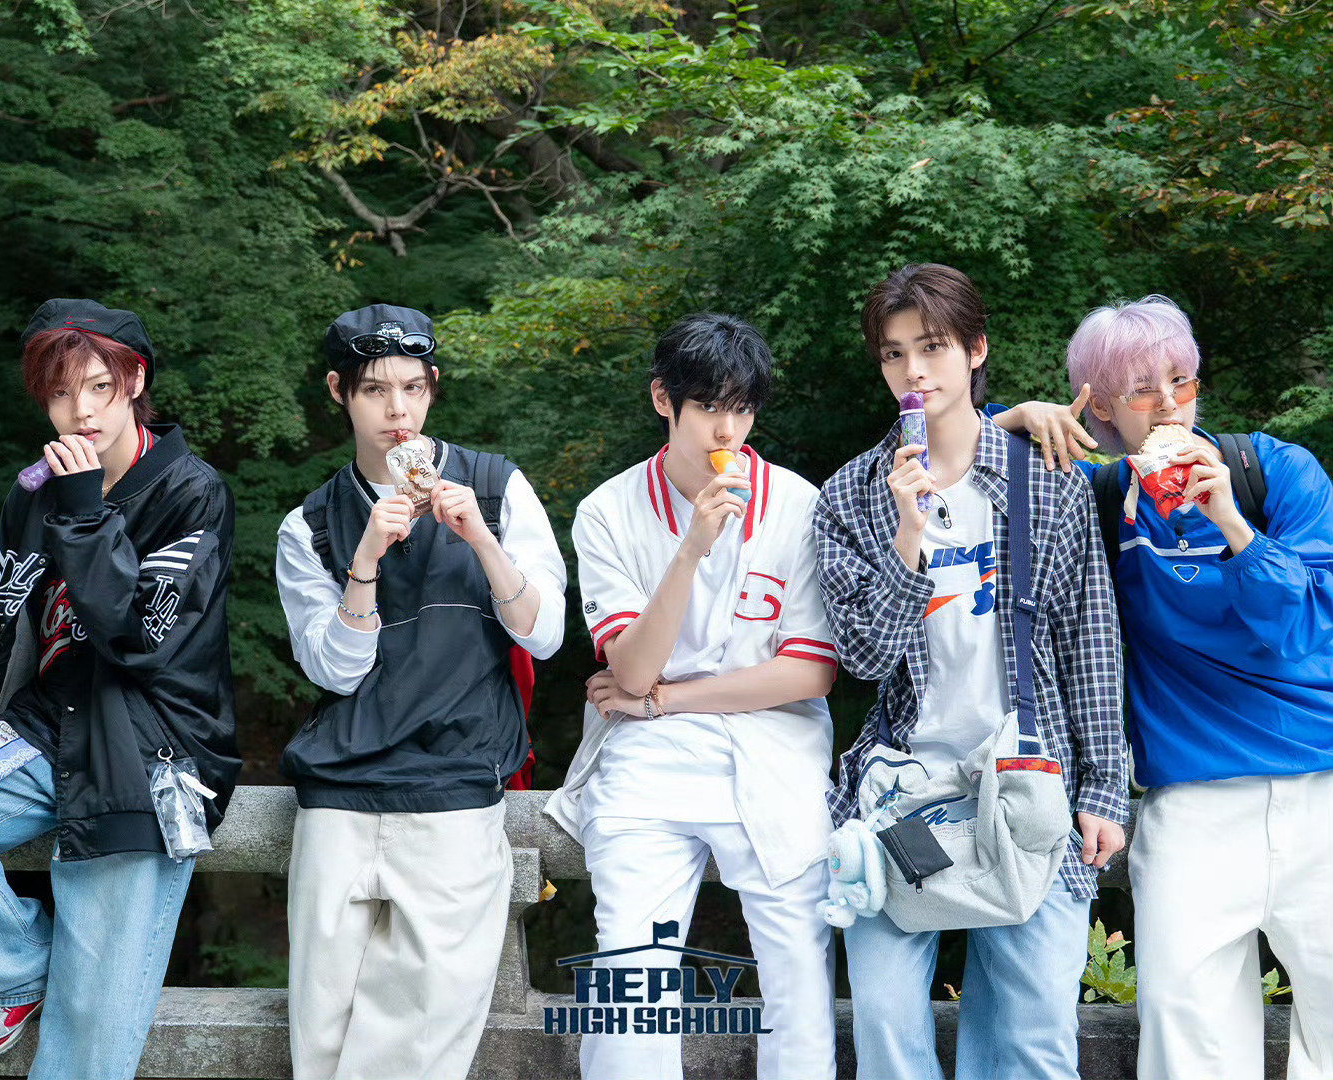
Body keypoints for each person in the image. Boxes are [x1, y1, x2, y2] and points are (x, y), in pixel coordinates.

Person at [813, 264, 1128, 1080]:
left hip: (1028, 784)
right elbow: (863, 660)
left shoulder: (1045, 477)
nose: (913, 371)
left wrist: (1104, 788)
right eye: (893, 354)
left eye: (932, 347)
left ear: (975, 349)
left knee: (1032, 1039)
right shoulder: (850, 495)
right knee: (886, 1028)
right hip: (903, 795)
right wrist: (908, 538)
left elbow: (1090, 639)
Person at [1027, 295, 1331, 1080]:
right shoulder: (1095, 499)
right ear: (1101, 408)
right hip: (1190, 804)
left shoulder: (1277, 472)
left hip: (1321, 788)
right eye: (1140, 390)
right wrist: (1017, 418)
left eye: (1181, 382)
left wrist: (1233, 523)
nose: (1168, 404)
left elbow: (1301, 629)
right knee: (1190, 1045)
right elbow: (954, 458)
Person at [275, 303, 567, 1080]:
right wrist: (365, 561)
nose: (397, 411)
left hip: (455, 790)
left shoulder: (496, 488)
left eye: (412, 387)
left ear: (433, 386)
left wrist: (482, 541)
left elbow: (545, 634)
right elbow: (335, 671)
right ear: (339, 392)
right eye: (375, 390)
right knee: (322, 1033)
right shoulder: (309, 525)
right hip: (336, 799)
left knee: (422, 1039)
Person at [546, 313, 839, 1080]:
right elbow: (632, 671)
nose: (727, 429)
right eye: (708, 406)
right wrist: (690, 551)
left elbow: (810, 674)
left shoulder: (798, 504)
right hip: (648, 758)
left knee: (799, 974)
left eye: (742, 408)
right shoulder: (608, 511)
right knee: (630, 974)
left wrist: (666, 699)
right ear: (663, 401)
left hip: (776, 747)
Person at [0, 298, 240, 1077]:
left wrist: (86, 510)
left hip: (148, 753)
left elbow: (138, 636)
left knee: (90, 1036)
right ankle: (15, 968)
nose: (82, 412)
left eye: (99, 387)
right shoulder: (34, 488)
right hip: (46, 724)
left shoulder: (193, 491)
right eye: (61, 393)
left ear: (135, 381)